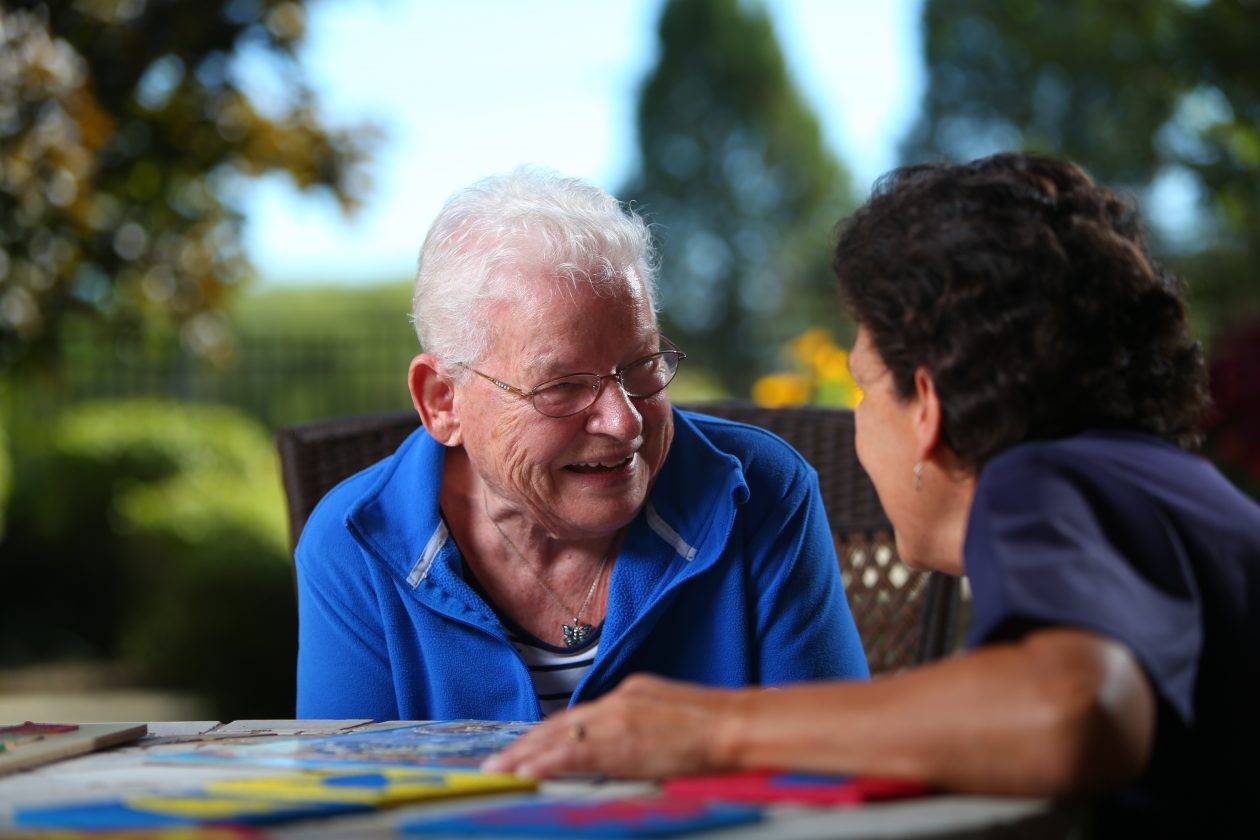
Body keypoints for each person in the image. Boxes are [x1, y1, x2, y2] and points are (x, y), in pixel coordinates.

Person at [485, 154, 1260, 830]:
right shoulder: (1165, 483)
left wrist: (712, 729)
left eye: (864, 390)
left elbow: (1073, 713)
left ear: (926, 407)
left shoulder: (1039, 482)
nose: (861, 425)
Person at [295, 168, 869, 722]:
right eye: (563, 386)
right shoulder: (356, 542)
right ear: (443, 400)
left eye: (642, 365)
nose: (624, 423)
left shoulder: (759, 492)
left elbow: (833, 758)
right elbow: (350, 792)